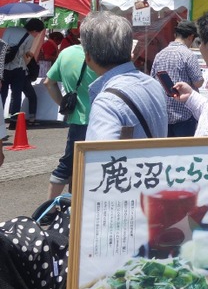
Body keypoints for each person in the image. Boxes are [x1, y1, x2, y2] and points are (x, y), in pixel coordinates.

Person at [84, 13, 168, 141]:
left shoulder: (107, 102)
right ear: (131, 53)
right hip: (155, 161)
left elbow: (100, 157)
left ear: (88, 57)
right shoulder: (154, 85)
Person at [42, 37, 97, 198]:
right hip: (102, 118)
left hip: (77, 119)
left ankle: (49, 210)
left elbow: (48, 82)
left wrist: (63, 105)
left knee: (68, 163)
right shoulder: (104, 56)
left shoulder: (66, 53)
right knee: (100, 163)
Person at [150, 20, 204, 137]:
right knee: (184, 153)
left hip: (164, 114)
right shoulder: (188, 55)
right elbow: (198, 82)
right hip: (185, 114)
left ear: (175, 35)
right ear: (190, 37)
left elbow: (152, 80)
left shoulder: (160, 54)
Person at [2, 18, 45, 128]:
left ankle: (1, 122)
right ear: (35, 30)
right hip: (18, 69)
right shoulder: (29, 37)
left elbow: (2, 47)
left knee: (2, 94)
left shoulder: (10, 29)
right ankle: (13, 122)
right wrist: (30, 55)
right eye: (38, 32)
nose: (37, 35)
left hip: (3, 68)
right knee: (16, 96)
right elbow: (25, 58)